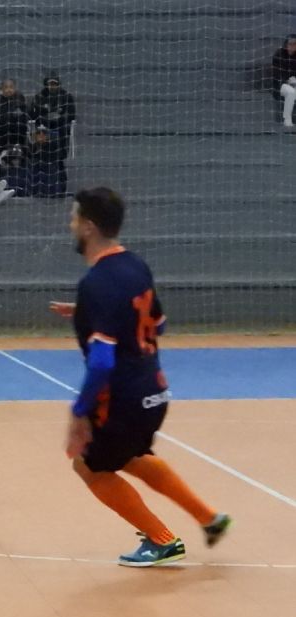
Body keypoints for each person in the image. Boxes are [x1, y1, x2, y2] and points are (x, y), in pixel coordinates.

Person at [49, 187, 231, 566]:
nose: (71, 225)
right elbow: (157, 324)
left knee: (88, 466)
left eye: (74, 218)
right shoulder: (135, 265)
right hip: (155, 392)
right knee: (133, 456)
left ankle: (162, 540)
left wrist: (79, 413)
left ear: (89, 227)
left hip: (121, 401)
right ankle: (209, 518)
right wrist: (90, 312)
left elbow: (101, 363)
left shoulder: (96, 282)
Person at [29, 72, 76, 162]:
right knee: (40, 124)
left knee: (65, 125)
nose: (52, 86)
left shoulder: (66, 96)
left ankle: (62, 153)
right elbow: (33, 113)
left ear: (58, 85)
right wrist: (44, 113)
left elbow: (71, 113)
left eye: (55, 84)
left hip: (60, 122)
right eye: (50, 84)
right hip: (45, 121)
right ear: (46, 85)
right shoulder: (39, 96)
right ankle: (41, 151)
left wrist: (60, 116)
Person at [0, 78, 28, 150]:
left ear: (15, 88)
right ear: (2, 88)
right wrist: (12, 115)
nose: (9, 90)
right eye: (6, 87)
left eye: (11, 87)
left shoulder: (20, 97)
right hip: (3, 131)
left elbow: (24, 115)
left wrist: (14, 116)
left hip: (18, 131)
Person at [272, 34, 296, 129]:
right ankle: (287, 119)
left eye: (295, 44)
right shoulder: (278, 54)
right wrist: (287, 80)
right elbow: (277, 74)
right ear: (286, 44)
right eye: (291, 43)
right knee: (291, 92)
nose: (293, 46)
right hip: (280, 85)